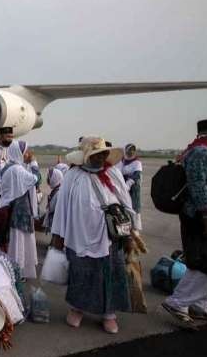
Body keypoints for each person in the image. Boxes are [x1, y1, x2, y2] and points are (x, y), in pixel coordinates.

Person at [51, 136, 133, 334]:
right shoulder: (73, 175)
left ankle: (109, 314)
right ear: (86, 155)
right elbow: (62, 207)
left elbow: (126, 202)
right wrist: (58, 235)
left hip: (109, 236)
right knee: (81, 273)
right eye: (96, 154)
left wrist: (133, 232)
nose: (100, 158)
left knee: (109, 273)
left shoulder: (113, 173)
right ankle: (77, 308)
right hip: (79, 235)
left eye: (103, 154)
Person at [163, 119, 207, 328]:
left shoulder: (204, 151)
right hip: (204, 215)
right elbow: (198, 185)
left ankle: (203, 306)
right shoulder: (201, 152)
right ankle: (178, 302)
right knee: (206, 262)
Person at [0, 141, 39, 279]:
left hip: (9, 208)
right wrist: (34, 164)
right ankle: (18, 271)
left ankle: (14, 270)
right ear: (20, 153)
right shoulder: (18, 170)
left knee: (14, 242)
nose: (28, 155)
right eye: (26, 152)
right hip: (18, 211)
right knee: (19, 242)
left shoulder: (8, 167)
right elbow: (36, 179)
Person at [116, 143, 143, 230]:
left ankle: (135, 228)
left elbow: (136, 175)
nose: (131, 152)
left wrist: (128, 184)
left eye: (133, 150)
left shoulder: (137, 162)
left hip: (133, 188)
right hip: (122, 187)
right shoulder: (122, 161)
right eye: (129, 150)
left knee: (133, 206)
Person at [42, 167, 64, 232]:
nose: (47, 179)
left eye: (49, 177)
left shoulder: (59, 193)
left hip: (57, 225)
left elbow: (52, 208)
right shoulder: (57, 190)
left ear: (55, 178)